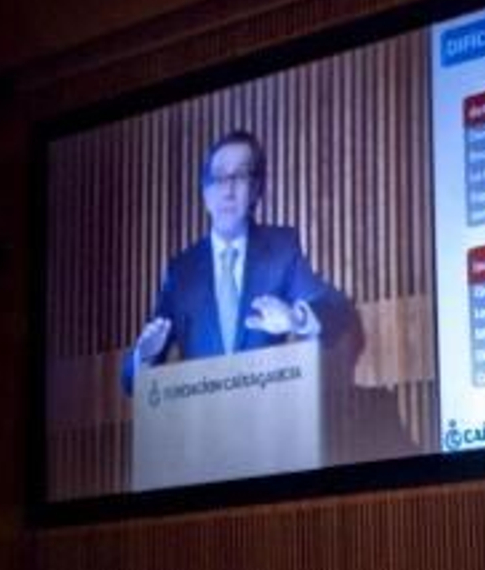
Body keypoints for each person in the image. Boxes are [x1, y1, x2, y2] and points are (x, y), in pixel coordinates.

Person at [121, 130, 360, 393]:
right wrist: (142, 357)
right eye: (219, 177)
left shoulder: (281, 250)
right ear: (205, 193)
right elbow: (130, 382)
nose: (228, 190)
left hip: (267, 417)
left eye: (241, 176)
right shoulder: (181, 272)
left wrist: (297, 318)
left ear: (257, 189)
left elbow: (339, 309)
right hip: (201, 423)